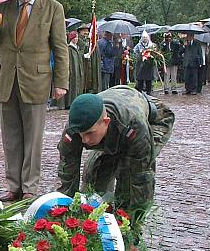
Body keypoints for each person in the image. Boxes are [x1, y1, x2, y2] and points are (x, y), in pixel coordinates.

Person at [0, 0, 69, 201]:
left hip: (37, 82)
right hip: (7, 81)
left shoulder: (53, 8)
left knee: (33, 140)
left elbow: (60, 48)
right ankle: (13, 186)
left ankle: (30, 187)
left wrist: (61, 82)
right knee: (10, 139)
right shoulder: (3, 8)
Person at [57, 87, 174, 233]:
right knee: (93, 174)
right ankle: (92, 226)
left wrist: (131, 225)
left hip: (154, 120)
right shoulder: (74, 128)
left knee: (127, 176)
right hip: (114, 130)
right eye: (81, 134)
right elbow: (67, 175)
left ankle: (124, 230)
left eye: (89, 133)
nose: (85, 140)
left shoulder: (134, 124)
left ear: (105, 121)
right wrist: (65, 216)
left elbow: (141, 179)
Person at [59, 30, 84, 109]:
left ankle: (76, 101)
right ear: (72, 39)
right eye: (75, 38)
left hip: (77, 70)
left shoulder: (77, 48)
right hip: (72, 70)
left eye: (77, 38)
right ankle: (70, 102)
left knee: (77, 85)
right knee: (72, 85)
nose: (76, 39)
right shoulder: (69, 49)